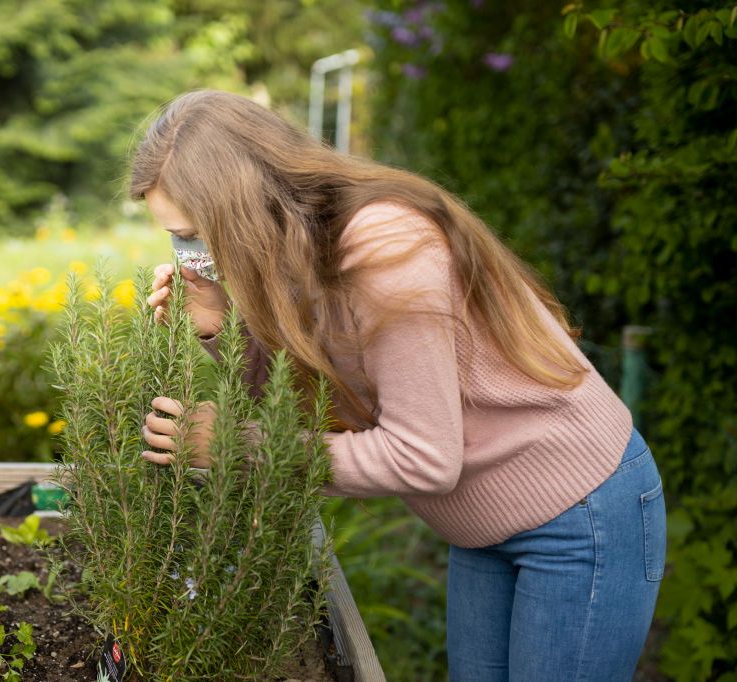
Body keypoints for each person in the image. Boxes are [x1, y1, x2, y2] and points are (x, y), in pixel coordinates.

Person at [131, 89, 666, 681]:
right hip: (483, 524)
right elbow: (314, 403)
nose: (190, 257)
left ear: (241, 208)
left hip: (578, 514)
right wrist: (219, 322)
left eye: (194, 235)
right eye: (178, 241)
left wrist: (238, 445)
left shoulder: (385, 250)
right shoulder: (294, 254)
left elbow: (422, 458)